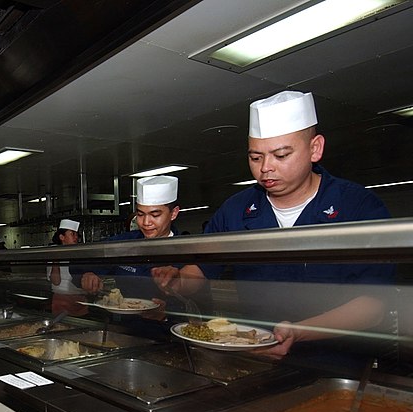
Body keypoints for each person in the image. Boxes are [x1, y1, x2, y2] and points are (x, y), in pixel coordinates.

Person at [154, 91, 394, 365]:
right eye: (256, 158)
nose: (265, 168)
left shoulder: (358, 206)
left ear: (315, 148)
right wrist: (178, 281)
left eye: (281, 155)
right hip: (255, 359)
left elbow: (374, 305)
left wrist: (299, 332)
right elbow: (201, 270)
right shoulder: (236, 210)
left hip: (336, 365)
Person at [73, 176, 190, 338]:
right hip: (124, 333)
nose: (146, 222)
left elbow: (200, 306)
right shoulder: (124, 244)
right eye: (140, 214)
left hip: (168, 338)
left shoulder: (187, 250)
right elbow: (80, 261)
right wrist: (86, 275)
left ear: (173, 213)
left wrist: (167, 313)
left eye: (155, 215)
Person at [48, 219, 88, 316]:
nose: (76, 237)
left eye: (76, 234)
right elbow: (56, 281)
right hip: (62, 300)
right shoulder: (53, 254)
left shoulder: (81, 254)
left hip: (80, 299)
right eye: (72, 234)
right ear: (62, 237)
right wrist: (55, 260)